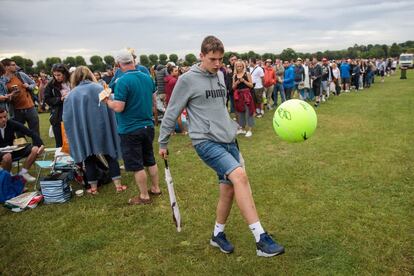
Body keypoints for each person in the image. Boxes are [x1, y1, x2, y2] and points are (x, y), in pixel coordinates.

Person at [158, 36, 285, 257]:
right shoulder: (187, 80)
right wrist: (163, 141)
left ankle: (218, 234)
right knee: (240, 178)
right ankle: (261, 239)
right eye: (212, 59)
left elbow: (219, 107)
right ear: (201, 56)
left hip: (228, 139)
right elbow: (172, 111)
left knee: (228, 190)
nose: (217, 64)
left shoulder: (220, 75)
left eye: (220, 59)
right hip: (205, 141)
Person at [103, 50, 160, 204]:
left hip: (130, 128)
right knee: (150, 159)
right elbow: (154, 102)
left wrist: (108, 101)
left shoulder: (122, 81)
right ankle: (156, 188)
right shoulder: (147, 77)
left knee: (137, 164)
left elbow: (119, 107)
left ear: (118, 65)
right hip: (148, 125)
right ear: (133, 61)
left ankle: (144, 196)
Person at [63, 66, 125, 195]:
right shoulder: (100, 89)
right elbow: (110, 107)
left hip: (84, 131)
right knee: (110, 154)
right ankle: (118, 186)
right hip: (103, 128)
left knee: (88, 157)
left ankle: (93, 188)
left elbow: (67, 117)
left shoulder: (72, 94)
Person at [0, 109, 44, 182]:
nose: (4, 119)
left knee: (35, 149)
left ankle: (23, 173)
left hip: (11, 150)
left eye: (5, 116)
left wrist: (41, 144)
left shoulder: (11, 123)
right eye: (0, 118)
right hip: (2, 153)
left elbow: (30, 132)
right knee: (7, 157)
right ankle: (7, 178)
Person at [1, 58, 40, 136]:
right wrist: (11, 95)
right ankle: (23, 148)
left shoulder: (20, 75)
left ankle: (38, 146)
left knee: (35, 131)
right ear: (6, 67)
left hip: (30, 107)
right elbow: (5, 97)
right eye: (13, 65)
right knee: (19, 134)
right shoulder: (2, 81)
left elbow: (34, 84)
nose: (16, 66)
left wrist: (28, 86)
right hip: (16, 110)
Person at [44, 64, 71, 147]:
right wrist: (60, 99)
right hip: (58, 116)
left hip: (73, 113)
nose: (56, 77)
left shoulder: (72, 81)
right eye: (54, 75)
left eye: (59, 75)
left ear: (65, 73)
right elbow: (47, 99)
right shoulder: (50, 85)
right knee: (60, 143)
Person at [232, 60, 255, 137]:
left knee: (249, 111)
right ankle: (242, 128)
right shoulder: (234, 76)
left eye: (240, 66)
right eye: (237, 66)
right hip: (238, 96)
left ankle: (249, 129)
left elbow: (251, 85)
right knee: (240, 112)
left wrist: (244, 81)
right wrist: (237, 83)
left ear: (243, 66)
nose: (239, 68)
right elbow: (233, 87)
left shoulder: (247, 74)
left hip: (246, 95)